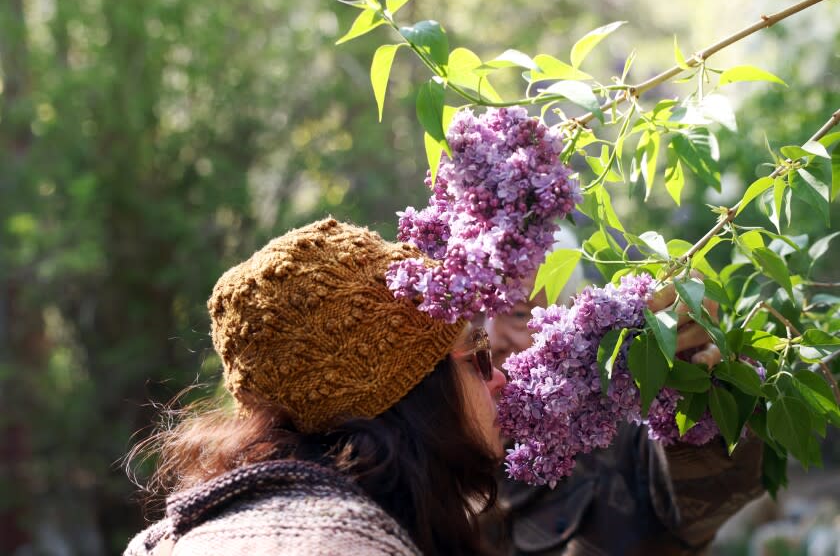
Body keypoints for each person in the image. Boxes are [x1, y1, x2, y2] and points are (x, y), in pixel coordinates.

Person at [124, 218, 508, 555]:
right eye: (477, 356)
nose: (499, 378)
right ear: (410, 392)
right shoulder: (342, 547)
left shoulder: (178, 539)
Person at [483, 270, 765, 555]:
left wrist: (698, 384)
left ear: (571, 319)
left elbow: (718, 475)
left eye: (518, 314)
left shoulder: (622, 435)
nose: (490, 340)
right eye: (473, 316)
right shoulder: (447, 454)